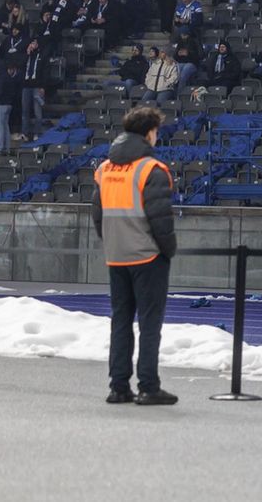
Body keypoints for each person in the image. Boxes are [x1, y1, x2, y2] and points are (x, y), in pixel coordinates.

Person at [92, 107, 178, 406]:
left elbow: (98, 215)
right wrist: (167, 251)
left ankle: (118, 387)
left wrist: (113, 243)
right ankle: (148, 386)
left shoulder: (104, 169)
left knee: (120, 322)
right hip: (147, 257)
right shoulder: (151, 169)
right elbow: (160, 220)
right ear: (149, 133)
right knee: (150, 324)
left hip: (116, 256)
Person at [0, 59, 20, 155]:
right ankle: (6, 148)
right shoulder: (10, 78)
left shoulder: (0, 78)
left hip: (0, 105)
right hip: (8, 105)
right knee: (5, 127)